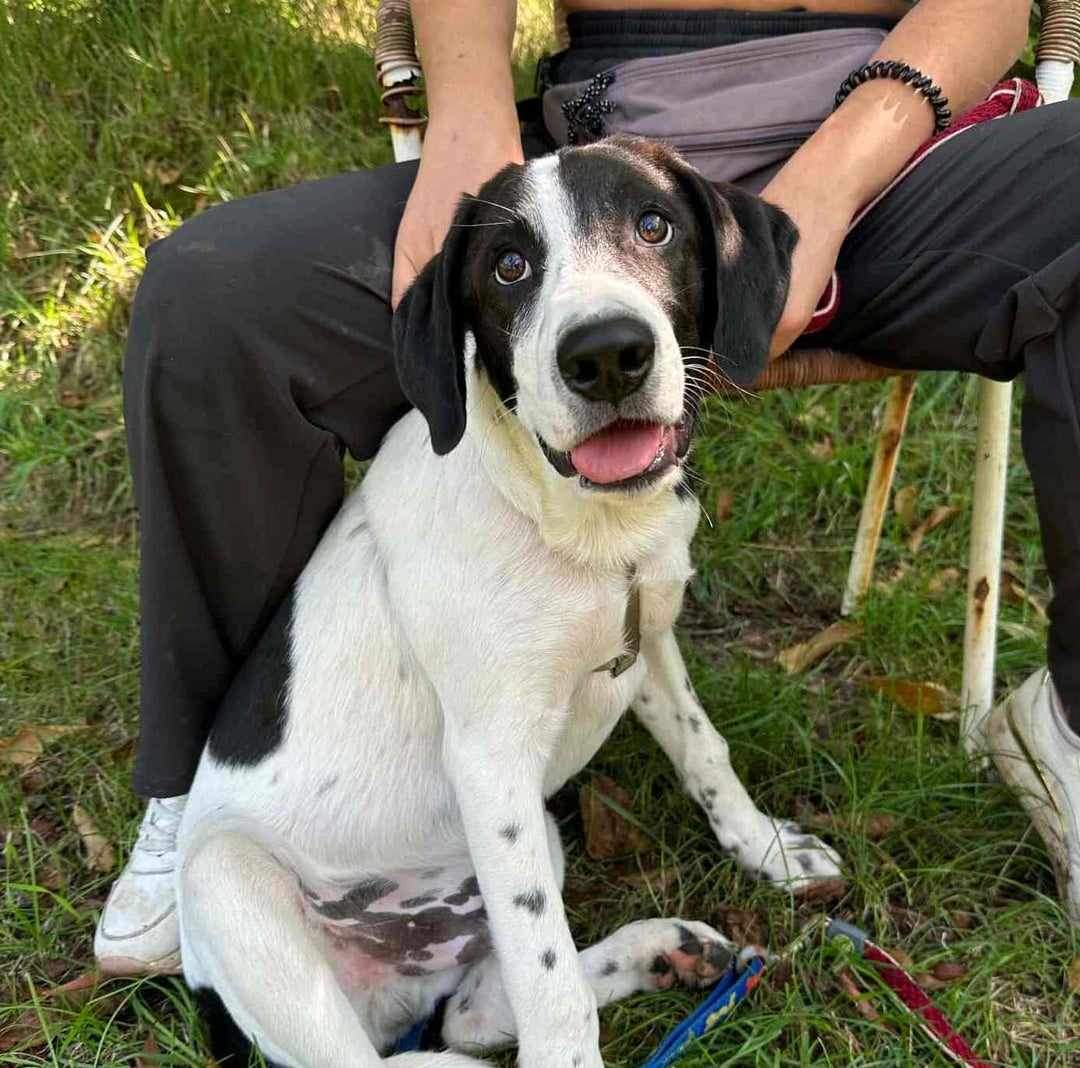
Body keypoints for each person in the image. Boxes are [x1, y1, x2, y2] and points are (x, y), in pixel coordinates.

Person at [95, 0, 1080, 974]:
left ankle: (1068, 722)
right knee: (214, 297)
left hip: (892, 138)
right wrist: (467, 128)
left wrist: (818, 191)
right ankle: (221, 803)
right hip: (600, 132)